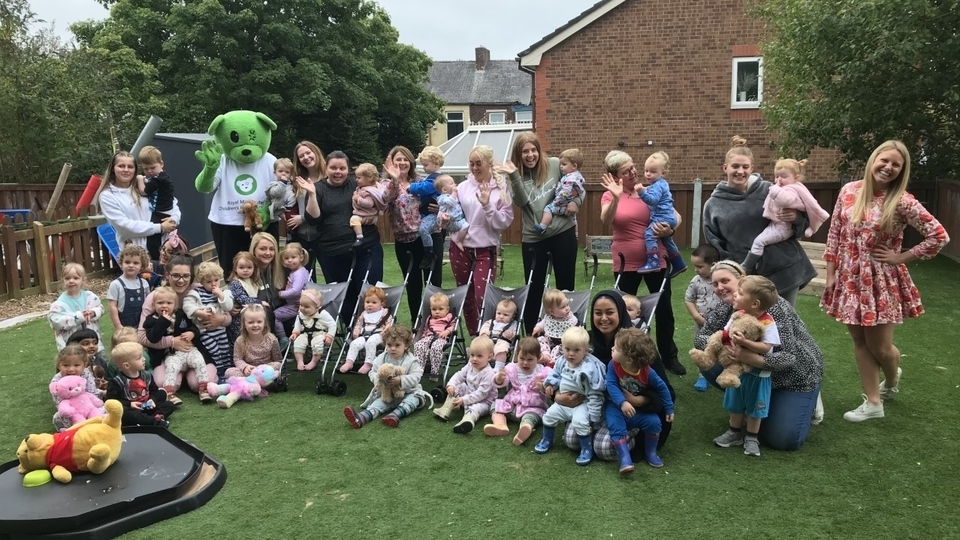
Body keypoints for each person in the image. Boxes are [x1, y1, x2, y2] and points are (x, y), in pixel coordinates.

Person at [821, 140, 949, 422]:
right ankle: (873, 402)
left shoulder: (903, 201)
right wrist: (831, 274)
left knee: (879, 346)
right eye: (884, 160)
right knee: (859, 341)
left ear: (901, 171)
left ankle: (891, 379)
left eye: (896, 165)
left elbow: (939, 236)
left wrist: (901, 257)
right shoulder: (849, 191)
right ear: (873, 159)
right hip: (849, 277)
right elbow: (835, 234)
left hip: (880, 281)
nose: (888, 167)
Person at [695, 261, 823, 450]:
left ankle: (806, 400)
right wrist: (725, 345)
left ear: (741, 280)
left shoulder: (772, 307)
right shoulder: (728, 307)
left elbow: (788, 357)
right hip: (753, 375)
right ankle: (749, 409)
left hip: (794, 377)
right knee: (707, 362)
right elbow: (701, 338)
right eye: (714, 284)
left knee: (783, 439)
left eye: (725, 281)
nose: (720, 288)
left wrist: (747, 356)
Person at [701, 136, 817, 306]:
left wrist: (797, 218)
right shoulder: (713, 205)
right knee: (749, 328)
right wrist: (733, 273)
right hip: (747, 279)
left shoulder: (771, 190)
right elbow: (715, 246)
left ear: (752, 168)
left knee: (782, 326)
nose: (740, 171)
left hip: (785, 269)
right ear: (725, 168)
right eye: (735, 166)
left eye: (745, 167)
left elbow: (801, 226)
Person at [599, 149, 686, 376]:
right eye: (627, 171)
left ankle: (669, 356)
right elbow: (606, 219)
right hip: (626, 263)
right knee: (622, 312)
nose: (634, 172)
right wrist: (617, 196)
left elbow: (676, 216)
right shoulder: (609, 195)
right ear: (616, 176)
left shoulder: (649, 190)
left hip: (656, 260)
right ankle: (623, 356)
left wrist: (671, 228)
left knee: (664, 310)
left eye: (633, 167)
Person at [567, 290, 675, 460]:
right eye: (598, 313)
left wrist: (640, 400)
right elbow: (564, 371)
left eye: (610, 312)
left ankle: (625, 438)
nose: (603, 318)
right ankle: (599, 434)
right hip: (593, 406)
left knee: (604, 449)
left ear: (621, 312)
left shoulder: (638, 345)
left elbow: (665, 389)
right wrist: (558, 396)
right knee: (571, 440)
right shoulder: (584, 341)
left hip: (629, 411)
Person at [500, 133, 581, 333]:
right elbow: (521, 201)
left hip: (563, 232)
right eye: (525, 151)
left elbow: (577, 183)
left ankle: (567, 337)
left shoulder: (555, 165)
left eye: (533, 150)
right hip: (534, 238)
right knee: (533, 290)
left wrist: (576, 201)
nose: (530, 155)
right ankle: (533, 338)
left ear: (539, 150)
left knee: (565, 287)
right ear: (519, 154)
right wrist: (514, 176)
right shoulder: (514, 174)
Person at [299, 150, 383, 321]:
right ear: (327, 168)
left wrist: (373, 217)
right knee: (345, 298)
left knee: (370, 292)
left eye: (342, 168)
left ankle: (372, 332)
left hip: (366, 248)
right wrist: (313, 195)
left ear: (348, 169)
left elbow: (379, 203)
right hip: (333, 253)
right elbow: (313, 219)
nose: (338, 172)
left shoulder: (357, 184)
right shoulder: (318, 188)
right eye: (333, 168)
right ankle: (350, 336)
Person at [710, 275, 780, 457]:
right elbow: (726, 333)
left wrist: (746, 344)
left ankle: (751, 437)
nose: (735, 295)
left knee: (756, 406)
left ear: (755, 304)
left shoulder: (767, 322)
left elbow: (767, 347)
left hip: (759, 374)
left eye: (740, 293)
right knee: (736, 402)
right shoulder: (737, 315)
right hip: (737, 370)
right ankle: (734, 432)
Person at [448, 145, 513, 334]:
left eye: (479, 164)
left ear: (489, 164)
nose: (475, 168)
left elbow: (504, 222)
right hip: (460, 248)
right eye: (471, 164)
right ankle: (475, 337)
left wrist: (488, 206)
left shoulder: (501, 190)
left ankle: (487, 335)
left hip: (485, 249)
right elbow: (453, 214)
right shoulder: (462, 187)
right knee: (466, 296)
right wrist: (443, 218)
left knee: (482, 296)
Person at [138, 254, 223, 395]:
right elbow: (141, 336)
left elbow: (227, 312)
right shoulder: (156, 297)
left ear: (192, 276)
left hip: (195, 348)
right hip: (168, 353)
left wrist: (220, 319)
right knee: (161, 383)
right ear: (167, 275)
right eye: (176, 275)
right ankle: (178, 377)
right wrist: (171, 341)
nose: (181, 280)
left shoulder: (200, 291)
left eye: (186, 276)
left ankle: (191, 377)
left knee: (199, 384)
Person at [383, 145, 443, 319]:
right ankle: (417, 326)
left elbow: (445, 198)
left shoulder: (423, 180)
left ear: (411, 162)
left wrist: (440, 207)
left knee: (433, 284)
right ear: (391, 163)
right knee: (413, 286)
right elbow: (383, 201)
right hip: (405, 243)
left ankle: (436, 326)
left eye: (405, 159)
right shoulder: (387, 184)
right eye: (398, 159)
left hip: (430, 238)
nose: (402, 162)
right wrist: (395, 180)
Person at [605, 328, 675, 475]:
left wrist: (669, 408)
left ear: (629, 359)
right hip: (616, 406)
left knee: (654, 422)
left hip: (638, 410)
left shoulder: (648, 372)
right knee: (615, 425)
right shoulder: (614, 365)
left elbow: (662, 388)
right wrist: (622, 402)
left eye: (616, 348)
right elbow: (611, 384)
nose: (612, 348)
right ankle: (625, 458)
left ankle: (651, 453)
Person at [743, 158, 830, 274]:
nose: (779, 180)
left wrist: (775, 190)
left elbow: (787, 200)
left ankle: (747, 265)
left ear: (796, 177)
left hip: (782, 228)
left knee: (759, 242)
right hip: (777, 225)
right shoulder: (786, 188)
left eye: (783, 176)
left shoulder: (792, 189)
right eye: (777, 176)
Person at [535, 327, 606, 465]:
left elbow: (595, 392)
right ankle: (547, 439)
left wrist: (594, 415)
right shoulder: (562, 361)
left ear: (586, 349)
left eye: (576, 350)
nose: (571, 354)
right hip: (563, 402)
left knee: (581, 422)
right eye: (567, 349)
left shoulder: (589, 368)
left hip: (582, 403)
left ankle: (586, 448)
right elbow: (555, 374)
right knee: (549, 415)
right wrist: (550, 384)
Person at [343, 325, 431, 428]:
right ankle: (361, 418)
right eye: (389, 345)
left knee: (413, 399)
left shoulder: (411, 360)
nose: (392, 348)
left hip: (408, 392)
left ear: (406, 345)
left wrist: (401, 380)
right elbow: (372, 372)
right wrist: (378, 380)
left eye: (397, 345)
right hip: (387, 394)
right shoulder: (381, 358)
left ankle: (395, 414)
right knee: (378, 404)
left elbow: (416, 376)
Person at [98, 150, 179, 254]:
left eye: (130, 166)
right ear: (113, 169)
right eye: (121, 166)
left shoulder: (147, 184)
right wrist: (160, 227)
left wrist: (174, 219)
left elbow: (172, 203)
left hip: (166, 250)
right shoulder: (108, 196)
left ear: (135, 169)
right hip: (136, 256)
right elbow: (124, 226)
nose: (126, 170)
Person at [143, 286, 212, 405]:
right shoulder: (151, 320)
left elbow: (194, 327)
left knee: (200, 361)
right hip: (172, 353)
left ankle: (204, 389)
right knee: (171, 367)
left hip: (189, 350)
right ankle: (170, 393)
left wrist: (192, 333)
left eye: (168, 303)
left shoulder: (180, 314)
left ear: (174, 305)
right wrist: (163, 321)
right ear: (154, 305)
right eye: (160, 303)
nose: (164, 306)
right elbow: (153, 338)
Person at [482, 336, 549, 445]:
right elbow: (501, 382)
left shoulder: (542, 371)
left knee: (531, 416)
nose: (525, 363)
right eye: (522, 358)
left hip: (531, 407)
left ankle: (525, 428)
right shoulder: (512, 368)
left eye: (530, 359)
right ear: (517, 356)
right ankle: (500, 425)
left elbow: (550, 389)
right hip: (512, 406)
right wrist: (499, 379)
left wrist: (542, 387)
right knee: (496, 405)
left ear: (539, 357)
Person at [432, 336, 498, 434]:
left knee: (475, 408)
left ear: (489, 357)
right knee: (458, 387)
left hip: (485, 401)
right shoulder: (470, 365)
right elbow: (459, 375)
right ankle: (446, 409)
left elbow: (481, 394)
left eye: (479, 356)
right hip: (470, 392)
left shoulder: (489, 373)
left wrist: (464, 400)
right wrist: (451, 385)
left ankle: (468, 420)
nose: (474, 359)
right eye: (472, 355)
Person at [635, 151, 686, 275]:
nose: (648, 174)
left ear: (663, 173)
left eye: (652, 171)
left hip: (662, 217)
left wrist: (641, 192)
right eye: (646, 170)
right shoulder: (662, 184)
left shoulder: (658, 185)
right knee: (666, 240)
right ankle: (678, 263)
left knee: (649, 234)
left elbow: (652, 201)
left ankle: (653, 262)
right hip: (669, 217)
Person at [182, 261, 234, 379]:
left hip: (220, 330)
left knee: (225, 350)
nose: (213, 284)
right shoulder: (196, 293)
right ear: (201, 282)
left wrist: (221, 296)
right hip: (205, 331)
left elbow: (228, 307)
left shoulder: (224, 292)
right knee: (214, 351)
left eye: (216, 280)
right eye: (209, 282)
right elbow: (187, 305)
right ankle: (219, 374)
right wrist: (198, 312)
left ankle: (229, 371)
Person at [106, 342, 175, 427]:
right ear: (127, 365)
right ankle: (155, 422)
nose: (144, 359)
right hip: (132, 411)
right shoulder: (116, 382)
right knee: (126, 414)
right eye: (139, 358)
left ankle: (153, 418)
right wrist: (130, 404)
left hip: (147, 407)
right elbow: (111, 402)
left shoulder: (147, 375)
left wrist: (152, 400)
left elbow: (154, 391)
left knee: (169, 404)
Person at [287, 141, 327, 281]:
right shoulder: (297, 180)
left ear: (316, 152)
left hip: (323, 236)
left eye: (308, 153)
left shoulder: (328, 177)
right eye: (301, 156)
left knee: (331, 276)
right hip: (301, 237)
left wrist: (303, 217)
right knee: (305, 280)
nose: (306, 157)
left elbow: (329, 208)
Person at [685, 243, 722, 391]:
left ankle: (723, 373)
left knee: (722, 348)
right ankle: (703, 376)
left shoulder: (721, 280)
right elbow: (689, 299)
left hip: (722, 324)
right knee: (702, 347)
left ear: (713, 265)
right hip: (702, 324)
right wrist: (696, 316)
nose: (696, 270)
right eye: (695, 266)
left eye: (700, 266)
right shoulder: (696, 280)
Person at [136, 146, 181, 260]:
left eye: (153, 167)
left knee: (153, 241)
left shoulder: (158, 179)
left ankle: (157, 259)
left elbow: (143, 191)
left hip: (161, 213)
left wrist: (140, 179)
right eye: (146, 169)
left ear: (161, 164)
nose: (149, 171)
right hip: (166, 211)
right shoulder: (162, 177)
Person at [48, 263, 103, 352]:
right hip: (72, 348)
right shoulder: (58, 304)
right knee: (76, 365)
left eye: (76, 278)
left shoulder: (90, 297)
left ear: (83, 280)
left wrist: (94, 312)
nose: (71, 281)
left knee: (98, 363)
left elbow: (100, 308)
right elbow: (56, 323)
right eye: (67, 278)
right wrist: (79, 317)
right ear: (63, 281)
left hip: (93, 344)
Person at [50, 344, 105, 431]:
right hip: (73, 411)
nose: (71, 369)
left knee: (105, 409)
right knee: (58, 417)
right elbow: (59, 402)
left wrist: (91, 404)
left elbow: (93, 392)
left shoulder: (85, 373)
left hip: (88, 406)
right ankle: (69, 431)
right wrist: (72, 411)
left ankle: (100, 426)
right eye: (66, 365)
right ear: (59, 365)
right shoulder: (56, 381)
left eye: (76, 365)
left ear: (84, 365)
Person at [340, 286, 393, 375]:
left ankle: (368, 363)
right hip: (364, 334)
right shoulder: (364, 314)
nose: (370, 305)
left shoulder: (384, 313)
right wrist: (356, 331)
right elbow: (359, 324)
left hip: (379, 334)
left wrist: (385, 332)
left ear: (382, 304)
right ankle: (349, 362)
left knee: (371, 342)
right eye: (367, 302)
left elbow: (389, 324)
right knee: (354, 343)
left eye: (374, 302)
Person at [534, 148, 585, 235]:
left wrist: (556, 201)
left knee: (548, 209)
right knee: (573, 218)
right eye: (561, 164)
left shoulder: (570, 179)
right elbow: (581, 190)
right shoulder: (578, 177)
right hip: (570, 203)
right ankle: (576, 234)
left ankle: (543, 226)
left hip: (562, 203)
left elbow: (565, 192)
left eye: (564, 164)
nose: (561, 166)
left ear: (574, 166)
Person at [410, 146, 444, 270]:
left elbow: (424, 188)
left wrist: (411, 187)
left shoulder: (436, 180)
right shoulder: (433, 177)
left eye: (425, 165)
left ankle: (429, 253)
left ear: (435, 164)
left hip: (434, 215)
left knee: (423, 229)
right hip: (429, 213)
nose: (423, 168)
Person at [225, 304, 282, 379]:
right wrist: (245, 367)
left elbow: (278, 360)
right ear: (244, 324)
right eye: (250, 322)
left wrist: (265, 369)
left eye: (259, 322)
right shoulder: (240, 341)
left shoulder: (271, 339)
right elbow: (238, 359)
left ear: (264, 323)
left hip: (265, 370)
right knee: (229, 372)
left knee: (278, 365)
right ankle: (257, 382)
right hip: (249, 371)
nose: (255, 325)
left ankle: (251, 382)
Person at [248, 232, 288, 340]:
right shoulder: (246, 272)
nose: (268, 253)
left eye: (272, 249)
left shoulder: (283, 270)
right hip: (259, 321)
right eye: (263, 249)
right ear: (254, 250)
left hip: (282, 317)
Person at [107, 244, 152, 331]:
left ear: (142, 266)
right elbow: (112, 307)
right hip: (124, 325)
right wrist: (118, 326)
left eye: (135, 263)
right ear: (121, 264)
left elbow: (148, 304)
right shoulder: (116, 284)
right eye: (127, 262)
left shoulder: (144, 283)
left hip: (142, 324)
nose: (131, 265)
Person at [413, 292, 456, 382]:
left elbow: (453, 326)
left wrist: (447, 331)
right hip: (428, 337)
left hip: (441, 338)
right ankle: (419, 370)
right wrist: (422, 337)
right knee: (418, 345)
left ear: (447, 309)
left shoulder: (449, 317)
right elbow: (425, 329)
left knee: (436, 348)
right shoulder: (429, 319)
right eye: (434, 309)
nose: (437, 312)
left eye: (440, 309)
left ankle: (434, 372)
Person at [290, 288, 335, 371]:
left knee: (317, 344)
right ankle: (300, 361)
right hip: (305, 333)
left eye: (306, 307)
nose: (302, 308)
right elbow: (298, 323)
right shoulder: (301, 313)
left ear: (317, 307)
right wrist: (295, 332)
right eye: (301, 305)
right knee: (298, 342)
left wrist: (329, 336)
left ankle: (314, 362)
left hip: (319, 334)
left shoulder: (322, 314)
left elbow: (332, 324)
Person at [532, 289, 577, 366]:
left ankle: (552, 363)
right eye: (563, 307)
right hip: (549, 339)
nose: (567, 308)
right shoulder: (548, 318)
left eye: (567, 305)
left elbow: (575, 327)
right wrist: (538, 328)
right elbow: (542, 324)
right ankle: (545, 355)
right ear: (552, 312)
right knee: (540, 340)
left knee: (557, 350)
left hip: (563, 343)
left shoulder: (570, 319)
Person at [227, 251, 265, 341]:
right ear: (235, 268)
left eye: (249, 267)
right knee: (242, 340)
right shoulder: (235, 283)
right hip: (239, 320)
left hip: (252, 318)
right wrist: (260, 302)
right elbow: (242, 299)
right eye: (241, 267)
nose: (245, 270)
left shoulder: (252, 281)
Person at [349, 163, 387, 247]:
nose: (356, 180)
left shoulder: (369, 191)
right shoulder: (367, 188)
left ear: (369, 179)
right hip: (372, 216)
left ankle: (359, 237)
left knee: (353, 219)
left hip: (365, 215)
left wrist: (358, 199)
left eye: (359, 178)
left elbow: (369, 203)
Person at [478, 298, 520, 371]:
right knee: (479, 346)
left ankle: (498, 367)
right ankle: (477, 364)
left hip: (502, 341)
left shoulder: (513, 324)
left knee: (502, 349)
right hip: (489, 341)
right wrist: (484, 333)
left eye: (505, 315)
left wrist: (511, 334)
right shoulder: (491, 322)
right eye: (499, 313)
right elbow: (485, 327)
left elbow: (514, 334)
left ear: (512, 317)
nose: (501, 316)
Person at [66, 328, 111, 395]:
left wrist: (105, 384)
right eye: (86, 344)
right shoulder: (69, 364)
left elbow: (107, 379)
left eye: (95, 343)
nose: (92, 346)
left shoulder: (100, 361)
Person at [275, 242, 310, 325]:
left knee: (273, 316)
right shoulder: (298, 271)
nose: (290, 260)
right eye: (286, 258)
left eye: (293, 257)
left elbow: (296, 291)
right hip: (293, 304)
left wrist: (281, 294)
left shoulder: (299, 275)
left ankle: (282, 336)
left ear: (301, 257)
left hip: (295, 306)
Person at [434, 174, 469, 250]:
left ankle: (457, 237)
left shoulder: (453, 196)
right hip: (452, 221)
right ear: (444, 190)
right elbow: (451, 202)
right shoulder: (442, 198)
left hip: (457, 219)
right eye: (451, 183)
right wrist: (454, 193)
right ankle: (458, 240)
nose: (455, 185)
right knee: (466, 226)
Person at [266, 157, 297, 224]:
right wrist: (282, 182)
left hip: (292, 208)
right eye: (280, 171)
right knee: (284, 226)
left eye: (287, 172)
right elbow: (277, 193)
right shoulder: (273, 185)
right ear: (275, 172)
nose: (283, 173)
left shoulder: (291, 184)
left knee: (293, 224)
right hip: (279, 210)